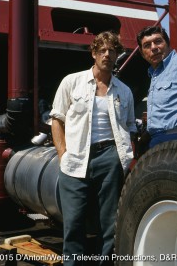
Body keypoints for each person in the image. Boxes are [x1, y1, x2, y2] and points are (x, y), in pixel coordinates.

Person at [49, 31, 136, 265]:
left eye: (112, 50)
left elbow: (129, 127)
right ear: (93, 53)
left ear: (118, 55)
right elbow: (56, 119)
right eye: (102, 50)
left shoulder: (124, 91)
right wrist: (62, 154)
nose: (107, 54)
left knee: (109, 223)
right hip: (76, 158)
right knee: (74, 222)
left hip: (110, 158)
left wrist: (124, 158)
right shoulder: (71, 82)